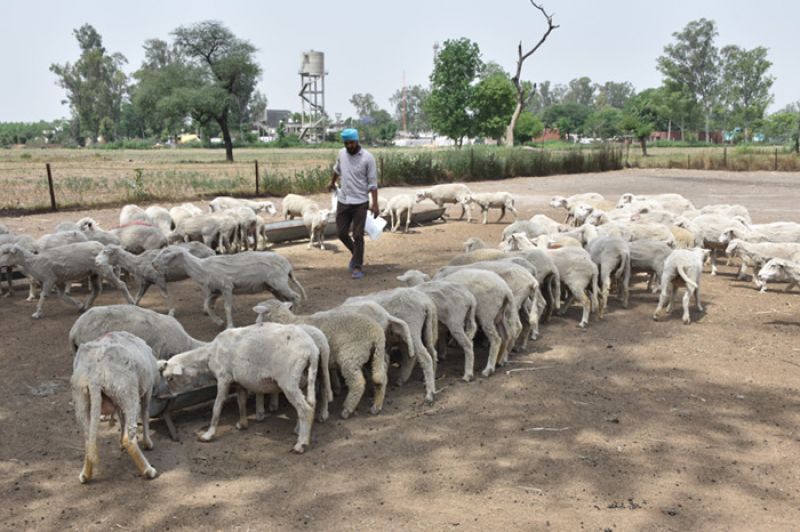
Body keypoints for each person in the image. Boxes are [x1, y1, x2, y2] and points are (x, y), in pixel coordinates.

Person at [329, 128, 380, 279]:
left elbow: (372, 183)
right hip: (343, 200)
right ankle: (356, 255)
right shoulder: (341, 154)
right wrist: (331, 183)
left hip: (360, 202)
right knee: (341, 233)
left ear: (357, 140)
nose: (349, 146)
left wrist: (375, 204)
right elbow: (337, 170)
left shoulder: (367, 158)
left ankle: (358, 266)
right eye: (346, 143)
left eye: (351, 142)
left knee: (358, 235)